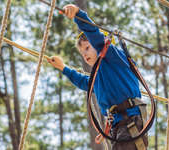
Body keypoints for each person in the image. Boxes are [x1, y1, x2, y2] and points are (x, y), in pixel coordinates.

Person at [47, 4, 148, 150]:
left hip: (130, 121)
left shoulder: (114, 56)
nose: (85, 54)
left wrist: (78, 14)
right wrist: (63, 68)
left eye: (87, 48)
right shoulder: (98, 77)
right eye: (82, 53)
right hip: (118, 126)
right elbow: (83, 82)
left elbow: (96, 37)